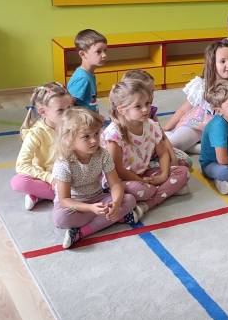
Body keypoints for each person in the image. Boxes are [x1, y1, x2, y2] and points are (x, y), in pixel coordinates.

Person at [103, 80, 190, 221]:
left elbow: (163, 153)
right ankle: (162, 191)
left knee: (183, 171)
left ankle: (146, 204)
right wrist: (141, 181)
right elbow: (117, 169)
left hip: (144, 173)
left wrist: (163, 175)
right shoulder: (114, 134)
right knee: (143, 190)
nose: (145, 109)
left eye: (147, 103)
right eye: (138, 106)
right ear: (121, 110)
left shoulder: (151, 125)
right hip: (120, 180)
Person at [51, 107, 137, 249]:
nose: (94, 140)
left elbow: (115, 184)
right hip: (75, 204)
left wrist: (115, 203)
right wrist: (91, 209)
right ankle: (115, 218)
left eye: (96, 134)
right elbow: (64, 200)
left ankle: (81, 231)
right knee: (60, 219)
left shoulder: (102, 154)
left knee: (129, 200)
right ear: (68, 139)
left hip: (98, 198)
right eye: (86, 137)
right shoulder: (63, 162)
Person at [163, 39, 228, 153]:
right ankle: (169, 137)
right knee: (173, 144)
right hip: (197, 124)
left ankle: (192, 148)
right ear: (212, 63)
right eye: (223, 61)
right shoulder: (202, 85)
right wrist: (166, 127)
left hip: (220, 129)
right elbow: (184, 109)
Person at [12, 82, 73, 210]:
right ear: (43, 112)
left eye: (69, 108)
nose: (67, 114)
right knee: (18, 182)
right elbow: (21, 165)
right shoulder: (36, 133)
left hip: (71, 176)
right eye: (60, 110)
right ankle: (64, 196)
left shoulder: (73, 124)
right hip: (49, 178)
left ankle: (42, 195)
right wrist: (50, 178)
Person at [67, 29, 108, 112]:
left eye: (105, 51)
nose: (104, 55)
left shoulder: (88, 74)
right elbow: (69, 106)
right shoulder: (82, 78)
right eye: (98, 51)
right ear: (83, 54)